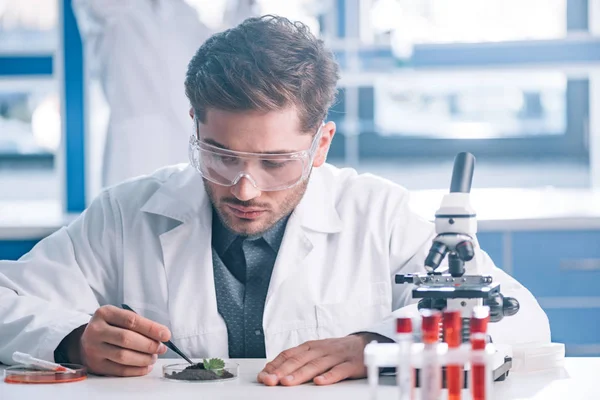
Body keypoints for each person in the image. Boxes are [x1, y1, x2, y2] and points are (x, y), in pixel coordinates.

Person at [0, 16, 550, 386]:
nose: (245, 188)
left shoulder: (378, 215)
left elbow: (522, 321)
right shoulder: (126, 215)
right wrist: (71, 340)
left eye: (275, 162)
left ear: (321, 144)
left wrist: (383, 343)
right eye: (220, 155)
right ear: (194, 126)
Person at [72, 0, 257, 187]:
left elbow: (228, 52)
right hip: (135, 157)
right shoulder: (115, 10)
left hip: (185, 150)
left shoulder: (183, 14)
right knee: (132, 209)